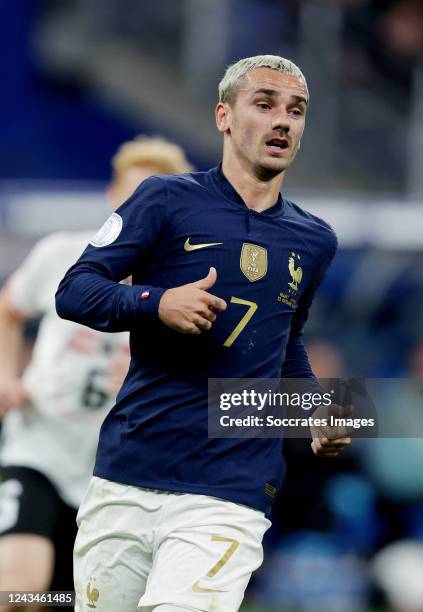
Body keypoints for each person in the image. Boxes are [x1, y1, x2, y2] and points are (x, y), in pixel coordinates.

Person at [56, 55, 351, 612]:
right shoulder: (164, 199)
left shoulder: (316, 240)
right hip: (129, 472)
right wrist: (156, 301)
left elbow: (284, 340)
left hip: (231, 488)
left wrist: (316, 410)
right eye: (264, 105)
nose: (282, 122)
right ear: (223, 116)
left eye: (295, 111)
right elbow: (74, 290)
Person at [0, 136, 193, 611]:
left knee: (70, 598)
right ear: (113, 198)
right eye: (133, 195)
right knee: (18, 589)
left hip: (111, 475)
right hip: (40, 448)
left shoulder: (185, 287)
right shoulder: (62, 254)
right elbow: (9, 309)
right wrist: (5, 375)